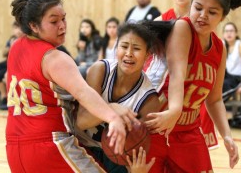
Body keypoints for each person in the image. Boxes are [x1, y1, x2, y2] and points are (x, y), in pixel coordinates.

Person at [6, 0, 138, 173]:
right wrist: (112, 117)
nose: (62, 26)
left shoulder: (16, 47)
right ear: (33, 26)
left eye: (64, 19)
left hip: (14, 149)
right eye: (54, 22)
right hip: (49, 145)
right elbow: (83, 93)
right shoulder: (55, 58)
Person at [144, 0, 241, 172]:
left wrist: (227, 135)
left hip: (189, 130)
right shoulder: (182, 28)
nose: (203, 15)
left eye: (212, 12)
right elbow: (177, 74)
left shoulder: (219, 48)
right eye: (198, 8)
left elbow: (215, 99)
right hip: (158, 124)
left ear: (223, 17)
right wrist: (175, 111)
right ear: (191, 6)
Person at [54, 22, 164, 173]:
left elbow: (137, 146)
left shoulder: (149, 100)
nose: (129, 53)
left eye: (136, 49)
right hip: (80, 143)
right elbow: (81, 122)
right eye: (124, 46)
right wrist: (112, 111)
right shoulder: (100, 70)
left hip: (115, 156)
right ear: (116, 48)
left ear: (147, 55)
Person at [0, 21, 23, 109]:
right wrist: (10, 46)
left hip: (18, 63)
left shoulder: (25, 40)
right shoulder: (12, 39)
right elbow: (4, 53)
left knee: (0, 76)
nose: (18, 31)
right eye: (15, 28)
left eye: (19, 28)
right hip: (7, 61)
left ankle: (4, 98)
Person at [222, 22, 241, 102]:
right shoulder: (222, 44)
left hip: (238, 78)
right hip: (228, 76)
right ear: (223, 34)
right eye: (226, 31)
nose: (229, 33)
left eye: (231, 31)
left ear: (236, 33)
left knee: (224, 84)